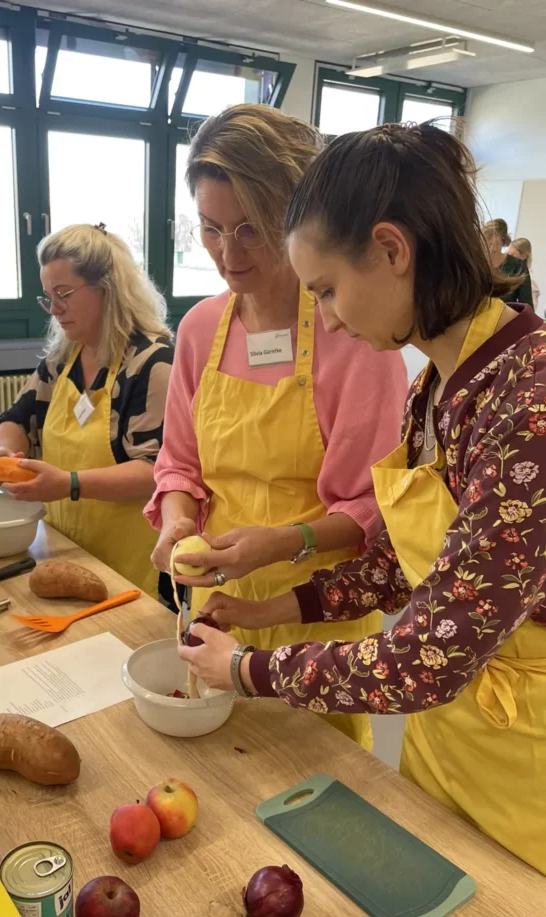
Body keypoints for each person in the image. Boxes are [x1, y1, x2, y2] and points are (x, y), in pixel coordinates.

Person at [180, 121, 546, 877]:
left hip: (525, 763)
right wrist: (265, 613)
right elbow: (396, 570)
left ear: (391, 250)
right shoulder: (435, 387)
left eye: (327, 289)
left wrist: (247, 671)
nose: (328, 317)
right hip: (448, 739)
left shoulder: (528, 404)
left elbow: (429, 655)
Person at [146, 104, 408, 750]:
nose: (229, 253)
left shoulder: (354, 336)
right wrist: (177, 521)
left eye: (251, 229)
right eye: (211, 229)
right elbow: (178, 464)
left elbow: (373, 508)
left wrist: (281, 543)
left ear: (297, 219)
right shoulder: (199, 329)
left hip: (317, 614)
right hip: (220, 608)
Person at [0, 223, 173, 598]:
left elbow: (155, 471)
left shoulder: (153, 363)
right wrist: (4, 450)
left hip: (131, 562)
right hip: (66, 549)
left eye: (64, 294)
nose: (54, 310)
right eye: (48, 297)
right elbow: (17, 419)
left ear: (108, 288)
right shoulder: (64, 357)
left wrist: (70, 484)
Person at [483, 218, 533, 307]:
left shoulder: (518, 266)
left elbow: (527, 305)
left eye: (496, 244)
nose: (491, 249)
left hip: (505, 314)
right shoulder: (476, 264)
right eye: (488, 242)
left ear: (503, 241)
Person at [509, 237, 541, 312]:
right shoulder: (509, 273)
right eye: (507, 254)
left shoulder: (529, 281)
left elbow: (530, 310)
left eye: (512, 255)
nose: (508, 258)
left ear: (524, 256)